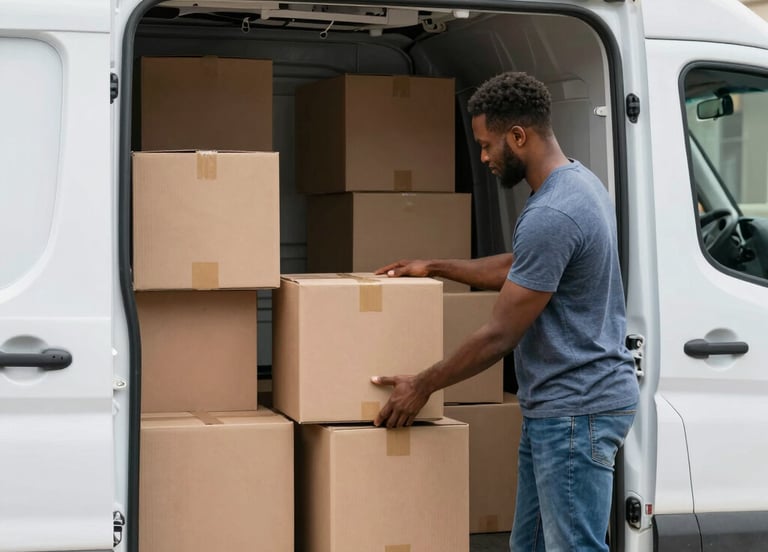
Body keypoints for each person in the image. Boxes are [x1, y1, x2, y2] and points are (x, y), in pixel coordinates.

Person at [370, 72, 640, 552]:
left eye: (487, 145)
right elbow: (525, 267)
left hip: (576, 408)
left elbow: (499, 335)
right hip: (560, 404)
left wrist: (422, 385)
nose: (484, 157)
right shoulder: (576, 184)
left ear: (519, 136)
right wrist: (435, 265)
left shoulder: (553, 213)